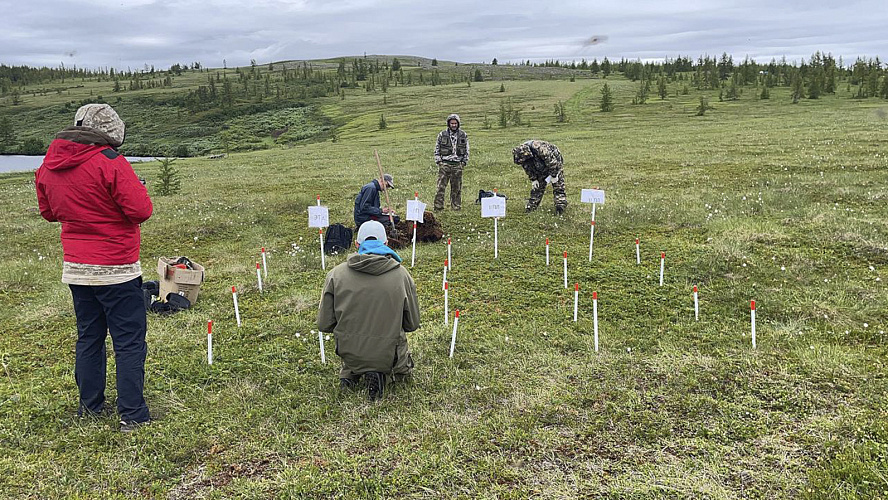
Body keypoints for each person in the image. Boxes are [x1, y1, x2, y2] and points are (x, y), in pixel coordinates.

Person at [35, 104, 153, 432]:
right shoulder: (110, 162)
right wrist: (138, 187)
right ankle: (132, 413)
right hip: (117, 268)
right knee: (128, 341)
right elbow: (141, 210)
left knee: (89, 337)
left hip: (76, 268)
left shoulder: (49, 164)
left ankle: (90, 408)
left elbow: (49, 213)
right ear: (109, 135)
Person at [317, 221, 420, 401]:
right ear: (386, 243)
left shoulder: (335, 274)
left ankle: (351, 373)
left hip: (349, 354)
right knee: (399, 360)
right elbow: (412, 324)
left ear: (356, 245)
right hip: (390, 356)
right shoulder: (401, 275)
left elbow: (324, 324)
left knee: (353, 348)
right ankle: (380, 372)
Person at [512, 140, 568, 215]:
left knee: (558, 184)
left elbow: (552, 162)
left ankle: (560, 205)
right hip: (540, 165)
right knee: (538, 187)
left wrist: (554, 175)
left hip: (554, 161)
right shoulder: (521, 154)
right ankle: (532, 206)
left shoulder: (540, 149)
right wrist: (533, 179)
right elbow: (527, 167)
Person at [433, 113, 469, 211]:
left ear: (458, 124)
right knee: (440, 187)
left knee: (456, 188)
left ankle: (456, 207)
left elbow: (466, 150)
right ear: (448, 124)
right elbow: (437, 149)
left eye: (455, 123)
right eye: (452, 123)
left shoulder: (463, 135)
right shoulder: (442, 135)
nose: (453, 125)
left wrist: (463, 163)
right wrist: (439, 162)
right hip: (444, 164)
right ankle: (438, 207)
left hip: (457, 165)